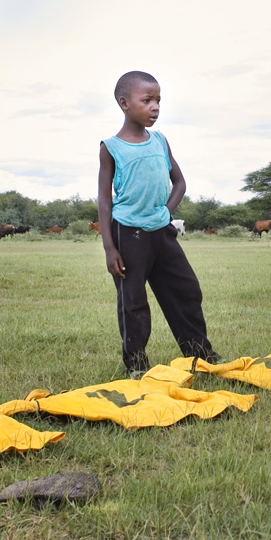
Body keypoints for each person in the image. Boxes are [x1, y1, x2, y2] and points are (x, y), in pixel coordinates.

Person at [98, 71, 221, 378]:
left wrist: (166, 212)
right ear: (125, 103)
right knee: (133, 302)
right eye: (147, 100)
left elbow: (179, 182)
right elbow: (103, 199)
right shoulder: (111, 147)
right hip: (128, 235)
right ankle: (137, 366)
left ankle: (200, 355)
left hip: (162, 233)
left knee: (186, 290)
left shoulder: (160, 141)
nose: (155, 107)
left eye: (158, 101)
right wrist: (110, 248)